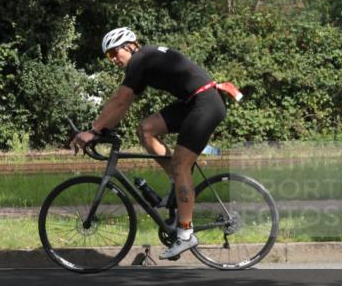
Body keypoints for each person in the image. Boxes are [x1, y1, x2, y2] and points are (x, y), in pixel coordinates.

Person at [70, 27, 239, 259]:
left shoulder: (141, 58)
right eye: (108, 57)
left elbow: (121, 101)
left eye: (113, 54)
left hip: (205, 104)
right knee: (146, 129)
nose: (112, 61)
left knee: (181, 165)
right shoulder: (144, 60)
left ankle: (186, 235)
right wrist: (99, 128)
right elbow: (119, 101)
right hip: (194, 102)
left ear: (129, 46)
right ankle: (176, 182)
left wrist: (94, 131)